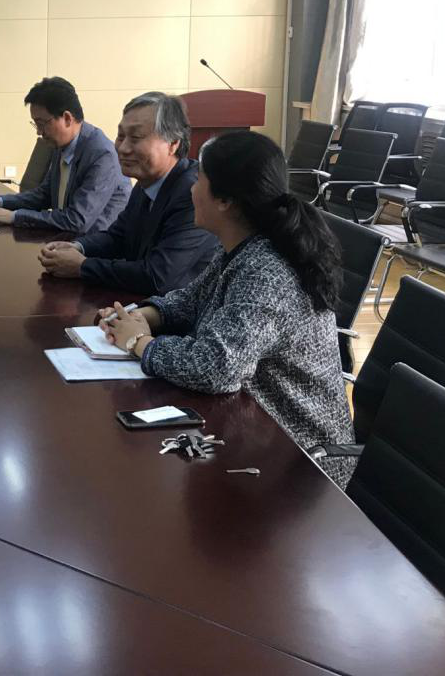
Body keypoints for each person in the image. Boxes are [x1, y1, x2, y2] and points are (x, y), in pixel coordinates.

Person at [97, 131, 355, 487]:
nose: (191, 189)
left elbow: (215, 368)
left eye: (199, 179)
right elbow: (193, 299)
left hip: (302, 463)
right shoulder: (244, 246)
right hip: (254, 428)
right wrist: (142, 316)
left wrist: (138, 342)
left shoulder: (268, 271)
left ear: (225, 201)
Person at [38, 92, 219, 294]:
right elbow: (118, 237)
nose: (123, 148)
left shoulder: (193, 193)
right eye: (121, 136)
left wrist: (82, 266)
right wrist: (76, 247)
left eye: (136, 137)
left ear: (172, 144)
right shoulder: (146, 182)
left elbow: (158, 276)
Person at [0, 76, 129, 233]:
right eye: (35, 124)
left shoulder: (102, 155)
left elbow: (77, 220)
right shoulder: (62, 144)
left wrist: (15, 216)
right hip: (66, 238)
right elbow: (44, 195)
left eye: (42, 123)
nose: (39, 132)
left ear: (67, 118)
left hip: (94, 245)